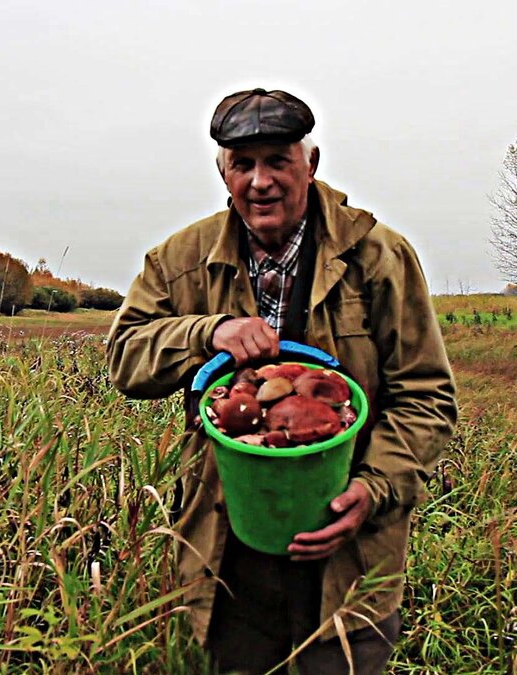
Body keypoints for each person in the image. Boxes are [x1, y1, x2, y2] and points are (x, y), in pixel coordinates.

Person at [106, 88, 457, 674]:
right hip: (229, 557)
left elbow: (426, 394)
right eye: (243, 164)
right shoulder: (179, 260)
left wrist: (372, 490)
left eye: (278, 161)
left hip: (352, 556)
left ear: (311, 165)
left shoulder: (379, 258)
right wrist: (206, 333)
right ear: (224, 172)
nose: (260, 181)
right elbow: (125, 357)